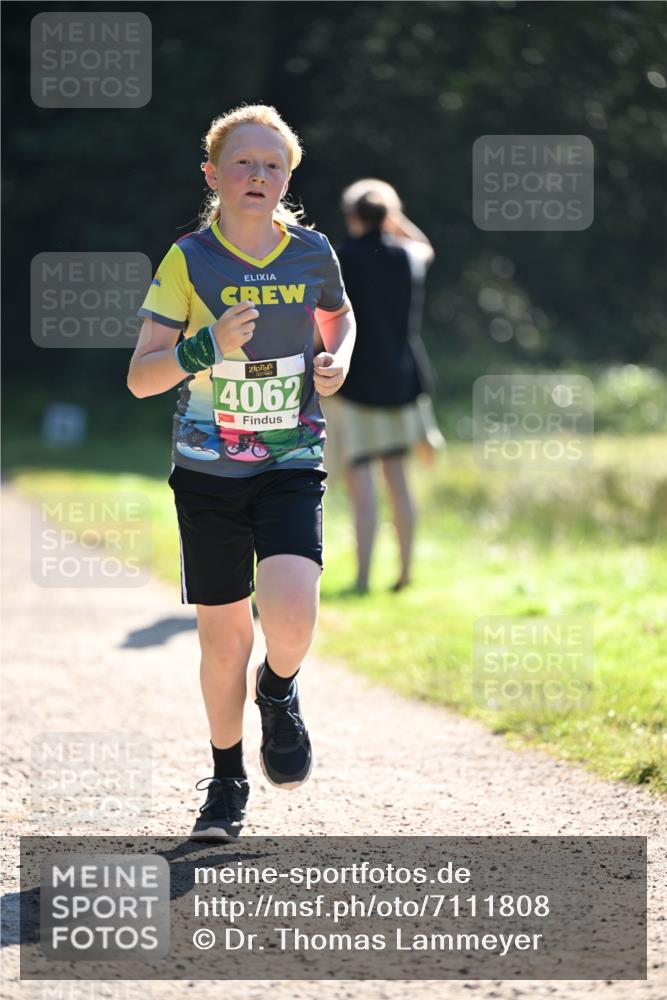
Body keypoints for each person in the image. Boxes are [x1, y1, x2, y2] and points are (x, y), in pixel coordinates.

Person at [127, 104, 355, 840]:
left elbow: (338, 316)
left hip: (291, 456)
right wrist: (206, 348)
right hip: (207, 472)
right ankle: (225, 784)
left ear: (288, 177)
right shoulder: (188, 260)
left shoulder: (313, 251)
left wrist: (335, 359)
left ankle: (279, 690)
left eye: (273, 165)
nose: (258, 176)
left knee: (290, 614)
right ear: (213, 175)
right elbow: (140, 378)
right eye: (243, 163)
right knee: (223, 641)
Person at [324, 179, 441, 594]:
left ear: (352, 215)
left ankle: (361, 577)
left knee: (362, 480)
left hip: (355, 382)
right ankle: (405, 573)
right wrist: (395, 216)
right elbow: (425, 246)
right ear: (386, 216)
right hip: (402, 379)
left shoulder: (339, 260)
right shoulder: (407, 255)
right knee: (398, 476)